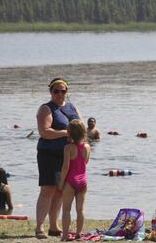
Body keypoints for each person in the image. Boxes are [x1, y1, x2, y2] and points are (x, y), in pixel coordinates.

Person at [35, 78, 82, 239]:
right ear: (51, 91)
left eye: (63, 91)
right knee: (48, 189)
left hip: (69, 155)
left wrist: (83, 148)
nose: (60, 94)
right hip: (49, 154)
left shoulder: (72, 107)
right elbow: (44, 132)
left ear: (67, 92)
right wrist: (66, 133)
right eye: (56, 91)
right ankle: (39, 227)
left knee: (61, 191)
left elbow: (81, 129)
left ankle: (54, 227)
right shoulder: (46, 109)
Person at [58, 119, 90, 241]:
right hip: (83, 181)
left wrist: (61, 183)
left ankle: (65, 235)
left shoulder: (68, 148)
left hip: (71, 181)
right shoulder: (87, 146)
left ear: (69, 133)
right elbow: (86, 162)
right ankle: (78, 233)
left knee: (66, 209)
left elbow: (65, 167)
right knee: (80, 209)